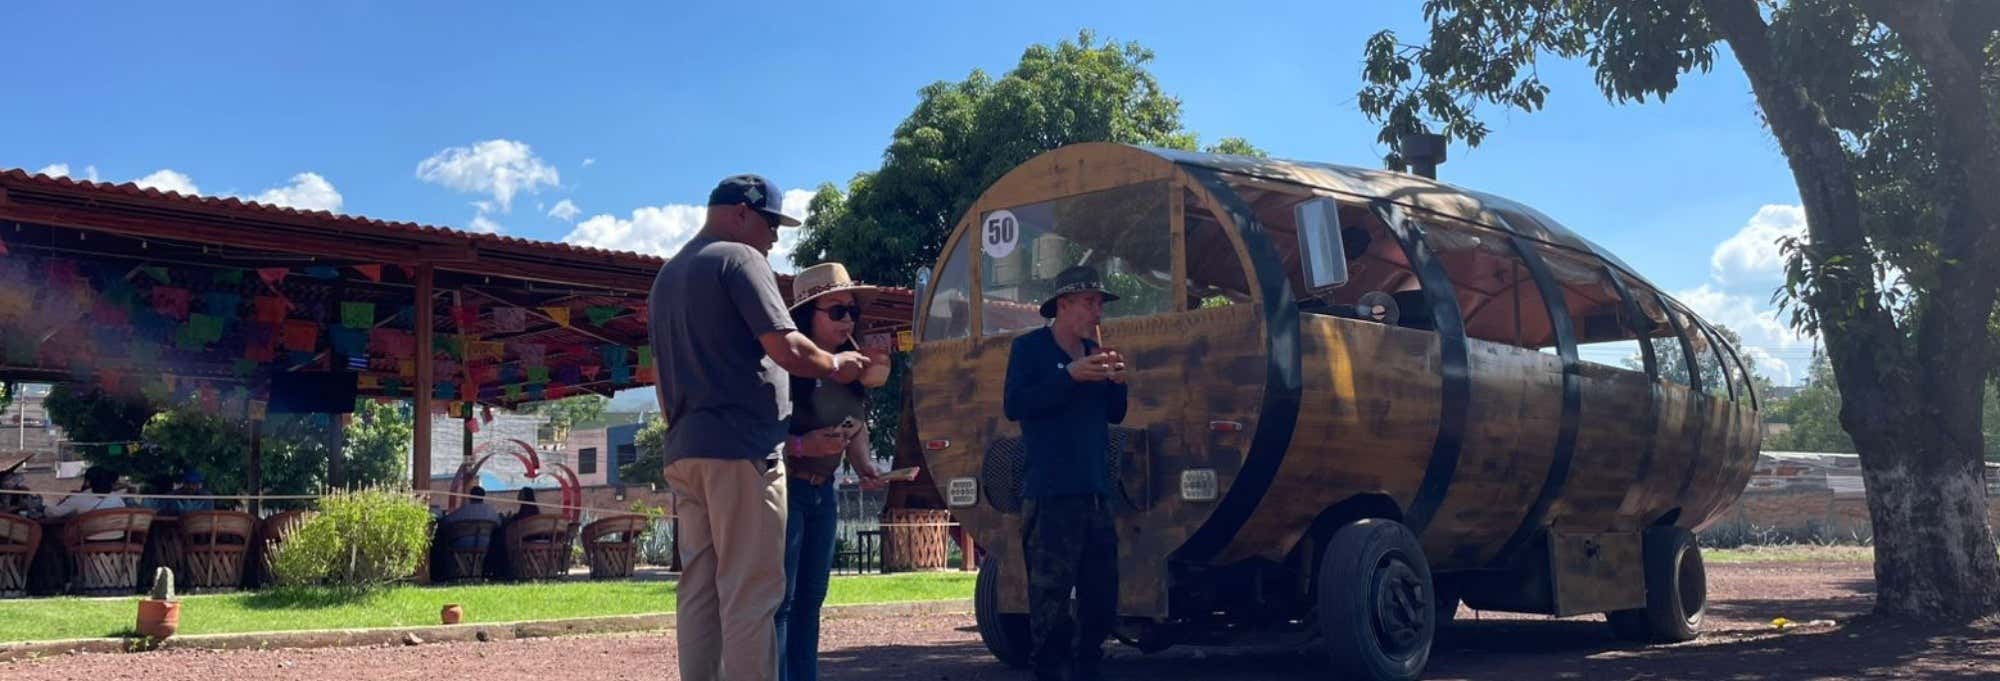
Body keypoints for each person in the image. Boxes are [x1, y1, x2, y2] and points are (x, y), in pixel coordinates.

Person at [650, 173, 872, 681]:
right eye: (771, 223)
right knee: (753, 594)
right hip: (743, 451)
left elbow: (661, 383)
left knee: (700, 591)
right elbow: (787, 347)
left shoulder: (668, 276)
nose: (774, 237)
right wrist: (838, 365)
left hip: (686, 450)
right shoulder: (739, 259)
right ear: (741, 212)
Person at [1003, 265, 1130, 681]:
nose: (1098, 311)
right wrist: (1069, 377)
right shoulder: (1029, 350)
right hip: (1051, 493)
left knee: (1101, 601)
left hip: (1097, 491)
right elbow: (1016, 405)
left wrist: (1118, 382)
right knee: (1050, 605)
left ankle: (1089, 665)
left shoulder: (1096, 350)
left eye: (1100, 303)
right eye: (1090, 301)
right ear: (1063, 305)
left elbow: (1114, 414)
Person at [773, 263, 889, 681]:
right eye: (837, 311)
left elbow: (854, 424)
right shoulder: (783, 368)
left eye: (851, 311)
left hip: (825, 494)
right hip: (785, 492)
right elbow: (754, 435)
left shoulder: (851, 369)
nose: (848, 320)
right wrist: (803, 446)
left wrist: (866, 466)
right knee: (782, 602)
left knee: (811, 600)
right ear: (807, 318)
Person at [48, 466, 133, 540]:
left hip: (88, 540)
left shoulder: (80, 497)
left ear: (90, 482)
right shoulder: (117, 498)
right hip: (116, 538)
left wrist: (44, 509)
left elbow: (54, 513)